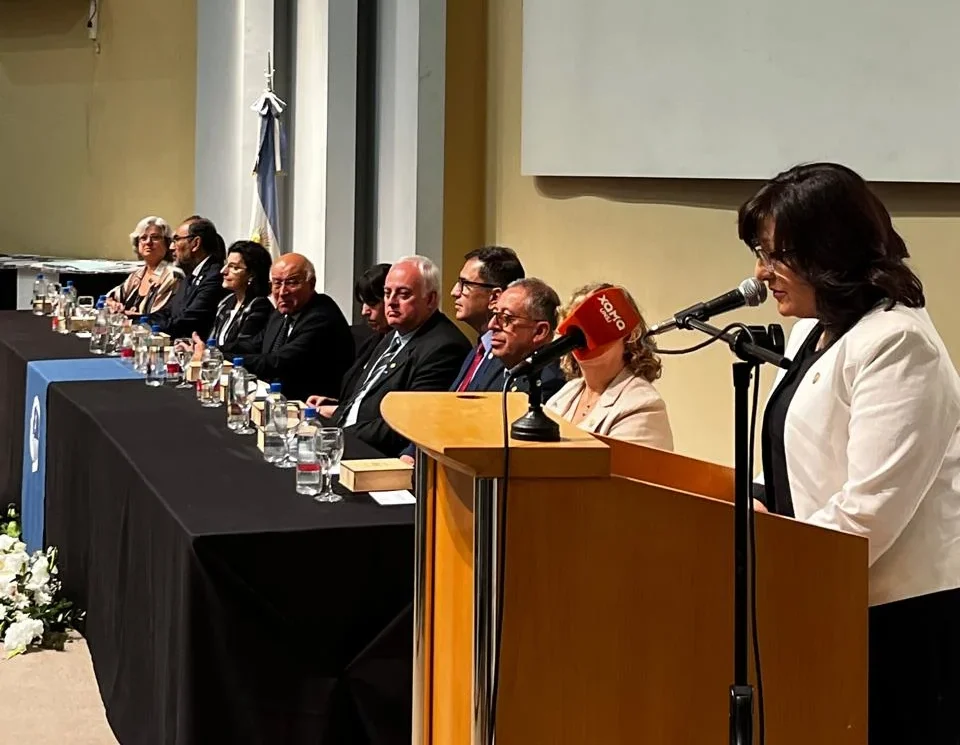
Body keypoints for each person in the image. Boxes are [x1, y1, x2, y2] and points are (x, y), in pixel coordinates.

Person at [740, 162, 960, 744]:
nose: (761, 273)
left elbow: (870, 508)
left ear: (828, 252)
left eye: (774, 254)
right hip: (829, 592)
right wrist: (755, 499)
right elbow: (795, 451)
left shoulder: (898, 342)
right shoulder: (816, 330)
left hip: (896, 620)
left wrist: (778, 563)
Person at [310, 256, 471, 456]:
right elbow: (362, 399)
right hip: (347, 441)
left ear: (430, 299)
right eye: (387, 293)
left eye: (403, 294)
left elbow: (404, 426)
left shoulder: (443, 348)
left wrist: (336, 436)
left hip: (376, 457)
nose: (391, 302)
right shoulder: (393, 335)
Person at [398, 275, 563, 465]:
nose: (493, 325)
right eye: (494, 315)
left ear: (539, 331)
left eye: (506, 318)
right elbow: (450, 413)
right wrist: (413, 452)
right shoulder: (494, 362)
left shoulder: (549, 382)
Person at [546, 283, 673, 449]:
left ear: (629, 336)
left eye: (594, 322)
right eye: (577, 321)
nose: (583, 332)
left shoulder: (643, 405)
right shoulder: (566, 393)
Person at [230, 253, 354, 402]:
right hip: (278, 401)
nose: (282, 292)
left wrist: (226, 359)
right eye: (277, 283)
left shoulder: (321, 316)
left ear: (311, 283)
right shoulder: (283, 311)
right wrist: (214, 350)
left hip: (310, 408)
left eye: (292, 283)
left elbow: (277, 362)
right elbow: (255, 343)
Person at [309, 263, 391, 420]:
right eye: (363, 303)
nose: (364, 311)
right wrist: (335, 404)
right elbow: (360, 396)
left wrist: (337, 412)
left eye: (372, 304)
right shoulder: (374, 340)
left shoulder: (396, 347)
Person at [449, 246, 526, 391]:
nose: (454, 292)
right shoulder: (477, 351)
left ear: (495, 297)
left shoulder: (511, 356)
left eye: (465, 284)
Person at [148, 216, 226, 339]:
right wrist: (134, 321)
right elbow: (168, 312)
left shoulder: (214, 276)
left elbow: (186, 323)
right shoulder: (191, 274)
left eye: (177, 240)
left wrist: (146, 326)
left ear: (195, 244)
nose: (171, 247)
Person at [106, 216, 181, 316]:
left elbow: (157, 318)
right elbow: (107, 298)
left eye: (155, 237)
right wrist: (112, 304)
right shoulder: (138, 274)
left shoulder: (172, 275)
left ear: (167, 243)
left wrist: (123, 314)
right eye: (143, 238)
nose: (148, 242)